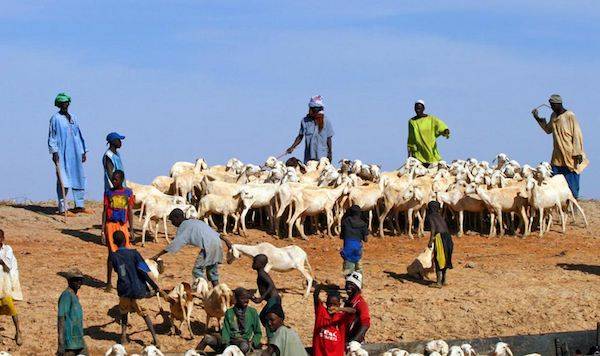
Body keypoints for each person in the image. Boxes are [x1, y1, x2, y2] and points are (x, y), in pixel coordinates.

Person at [110, 231, 165, 346]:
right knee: (145, 314)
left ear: (114, 242)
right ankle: (155, 339)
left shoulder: (114, 256)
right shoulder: (134, 254)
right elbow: (144, 272)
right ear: (126, 240)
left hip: (124, 290)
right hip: (138, 289)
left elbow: (120, 271)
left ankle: (124, 336)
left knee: (124, 313)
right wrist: (155, 287)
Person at [151, 209, 229, 286]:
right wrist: (227, 241)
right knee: (211, 270)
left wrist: (158, 255)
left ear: (177, 218)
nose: (172, 223)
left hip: (208, 246)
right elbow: (214, 232)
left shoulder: (184, 226)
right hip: (217, 243)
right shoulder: (194, 221)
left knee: (197, 271)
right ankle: (218, 291)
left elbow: (174, 244)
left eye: (172, 221)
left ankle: (205, 291)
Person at [532, 94, 588, 198]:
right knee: (555, 178)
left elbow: (577, 134)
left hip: (570, 153)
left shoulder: (570, 115)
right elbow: (548, 129)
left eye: (553, 105)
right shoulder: (553, 116)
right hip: (557, 153)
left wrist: (578, 152)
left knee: (572, 177)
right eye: (551, 105)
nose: (552, 107)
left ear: (558, 104)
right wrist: (537, 118)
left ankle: (574, 200)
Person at [47, 92, 90, 215]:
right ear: (59, 104)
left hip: (75, 152)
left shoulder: (73, 117)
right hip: (62, 152)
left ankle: (79, 205)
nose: (65, 104)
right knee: (63, 179)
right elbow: (52, 136)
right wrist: (54, 151)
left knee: (79, 177)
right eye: (63, 102)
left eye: (67, 102)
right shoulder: (55, 119)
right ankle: (62, 208)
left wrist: (82, 151)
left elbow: (79, 135)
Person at [196, 287, 262, 354]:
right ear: (236, 299)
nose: (246, 300)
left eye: (247, 298)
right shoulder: (229, 312)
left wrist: (253, 343)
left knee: (244, 346)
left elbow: (258, 333)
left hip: (243, 342)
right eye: (242, 298)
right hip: (227, 342)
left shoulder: (252, 312)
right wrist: (226, 345)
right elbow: (225, 331)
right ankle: (194, 354)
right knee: (207, 338)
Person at [102, 170, 135, 291]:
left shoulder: (128, 192)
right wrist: (102, 231)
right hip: (110, 225)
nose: (113, 182)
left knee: (124, 253)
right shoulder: (108, 193)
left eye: (116, 179)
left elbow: (130, 211)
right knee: (112, 254)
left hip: (122, 225)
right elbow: (105, 211)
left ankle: (123, 279)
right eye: (112, 179)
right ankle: (109, 282)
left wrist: (131, 229)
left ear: (121, 179)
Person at [286, 95, 334, 163]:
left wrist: (330, 154)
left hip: (322, 157)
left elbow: (329, 138)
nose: (310, 110)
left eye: (312, 109)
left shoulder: (326, 121)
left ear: (316, 110)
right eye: (310, 108)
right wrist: (292, 147)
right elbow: (300, 136)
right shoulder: (305, 121)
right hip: (309, 157)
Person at [312, 284, 355, 356]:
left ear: (339, 304)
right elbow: (315, 294)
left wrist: (339, 309)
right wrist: (324, 286)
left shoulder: (341, 317)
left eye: (335, 304)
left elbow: (353, 311)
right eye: (330, 304)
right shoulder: (321, 312)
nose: (332, 307)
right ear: (326, 303)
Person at [407, 99, 450, 167]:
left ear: (423, 108)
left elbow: (441, 126)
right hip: (418, 151)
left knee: (434, 163)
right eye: (416, 108)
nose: (417, 110)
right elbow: (411, 137)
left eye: (419, 108)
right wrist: (409, 152)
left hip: (430, 147)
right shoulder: (411, 121)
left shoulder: (431, 119)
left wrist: (445, 131)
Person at [0, 229, 23, 346]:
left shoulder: (8, 249)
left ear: (2, 239)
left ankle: (18, 331)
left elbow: (7, 264)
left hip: (6, 284)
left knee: (11, 307)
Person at [57, 268, 87, 356]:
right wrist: (61, 343)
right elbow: (61, 319)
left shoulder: (74, 296)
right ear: (69, 281)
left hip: (79, 341)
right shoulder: (66, 295)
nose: (79, 282)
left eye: (80, 280)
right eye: (76, 280)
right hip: (69, 343)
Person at [251, 254, 281, 339]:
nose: (252, 263)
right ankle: (274, 334)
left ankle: (272, 338)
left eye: (255, 262)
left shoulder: (262, 274)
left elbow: (271, 285)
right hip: (273, 299)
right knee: (263, 316)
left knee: (269, 320)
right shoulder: (261, 273)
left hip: (273, 299)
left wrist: (261, 298)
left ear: (260, 264)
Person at [426, 201, 453, 288]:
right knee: (445, 259)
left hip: (440, 238)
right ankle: (444, 280)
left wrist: (430, 241)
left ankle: (438, 283)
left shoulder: (431, 216)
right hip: (448, 237)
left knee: (438, 259)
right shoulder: (439, 216)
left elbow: (433, 229)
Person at [340, 205, 368, 277]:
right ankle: (359, 283)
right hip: (358, 248)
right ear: (359, 213)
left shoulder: (345, 222)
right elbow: (365, 240)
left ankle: (349, 283)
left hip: (347, 247)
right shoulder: (363, 224)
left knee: (347, 269)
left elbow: (341, 236)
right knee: (359, 268)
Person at [344, 272, 370, 343]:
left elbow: (365, 324)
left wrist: (353, 342)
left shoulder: (361, 304)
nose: (348, 286)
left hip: (355, 344)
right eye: (347, 284)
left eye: (352, 284)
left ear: (357, 287)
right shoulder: (348, 302)